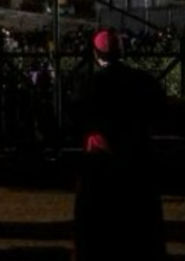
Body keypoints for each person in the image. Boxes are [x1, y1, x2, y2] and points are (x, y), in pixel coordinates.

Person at [71, 29, 166, 261]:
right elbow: (160, 115)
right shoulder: (144, 81)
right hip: (136, 160)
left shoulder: (90, 84)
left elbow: (77, 122)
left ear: (95, 54)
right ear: (121, 51)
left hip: (101, 164)